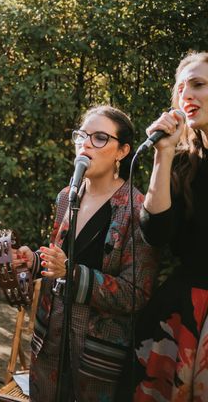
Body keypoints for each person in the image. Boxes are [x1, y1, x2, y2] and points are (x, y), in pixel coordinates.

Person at [13, 106, 158, 401]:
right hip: (50, 341)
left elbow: (135, 294)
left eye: (100, 137)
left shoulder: (136, 208)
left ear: (122, 151)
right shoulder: (68, 196)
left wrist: (72, 273)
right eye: (81, 136)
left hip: (96, 353)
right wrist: (36, 260)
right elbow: (61, 258)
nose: (86, 144)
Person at [131, 52, 208, 400]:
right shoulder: (180, 163)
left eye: (198, 84)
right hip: (183, 310)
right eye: (180, 88)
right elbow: (156, 233)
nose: (186, 95)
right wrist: (163, 153)